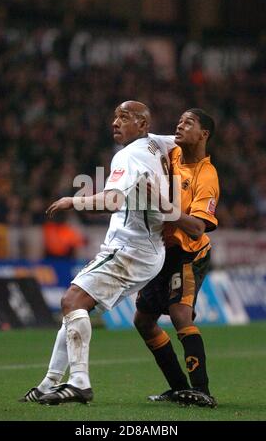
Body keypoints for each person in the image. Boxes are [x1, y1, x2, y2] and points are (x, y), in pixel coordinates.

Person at [19, 100, 177, 405]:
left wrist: (72, 200)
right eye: (115, 116)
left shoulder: (127, 156)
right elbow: (185, 139)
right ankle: (49, 383)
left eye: (125, 117)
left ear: (143, 125)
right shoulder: (158, 144)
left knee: (71, 300)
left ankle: (79, 383)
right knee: (76, 308)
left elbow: (112, 200)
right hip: (148, 251)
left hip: (131, 249)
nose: (115, 122)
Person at [134, 108, 219, 408]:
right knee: (143, 321)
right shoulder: (171, 155)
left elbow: (197, 228)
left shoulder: (206, 176)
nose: (179, 125)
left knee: (181, 314)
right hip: (162, 252)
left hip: (189, 254)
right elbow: (145, 138)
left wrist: (160, 202)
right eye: (179, 121)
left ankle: (202, 390)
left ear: (203, 134)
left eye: (188, 122)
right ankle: (180, 388)